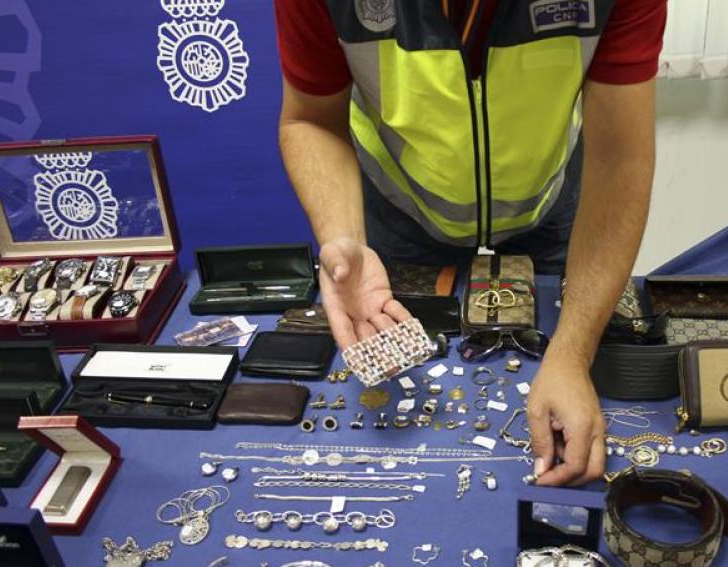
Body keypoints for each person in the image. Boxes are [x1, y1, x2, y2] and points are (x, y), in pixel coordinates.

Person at [276, 0, 665, 486]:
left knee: (564, 366)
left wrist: (572, 354)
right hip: (402, 214)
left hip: (547, 209)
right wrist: (341, 236)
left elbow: (620, 157)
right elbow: (311, 119)